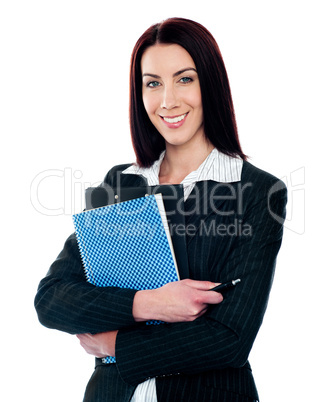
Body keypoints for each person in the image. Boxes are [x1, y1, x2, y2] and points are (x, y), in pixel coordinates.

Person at [34, 17, 287, 402]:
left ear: (211, 84)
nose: (168, 100)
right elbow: (53, 299)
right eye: (153, 83)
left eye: (185, 79)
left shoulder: (257, 192)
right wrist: (150, 304)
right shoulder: (122, 183)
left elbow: (229, 340)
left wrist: (113, 343)